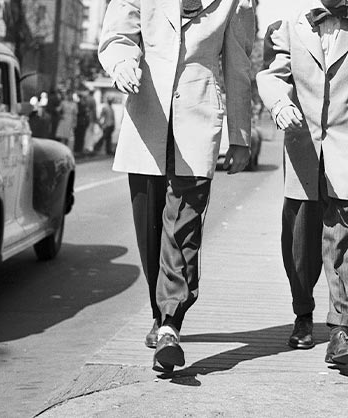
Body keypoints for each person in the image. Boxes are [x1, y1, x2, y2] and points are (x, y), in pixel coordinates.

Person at [98, 0, 255, 373]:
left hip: (199, 117)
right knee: (150, 230)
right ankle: (160, 311)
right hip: (146, 111)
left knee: (183, 226)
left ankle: (170, 323)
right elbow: (118, 36)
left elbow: (238, 65)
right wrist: (122, 64)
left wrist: (240, 135)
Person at [256, 0, 348, 365]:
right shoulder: (287, 27)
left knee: (347, 237)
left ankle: (340, 328)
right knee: (300, 241)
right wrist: (278, 105)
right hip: (301, 144)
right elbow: (271, 76)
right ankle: (303, 313)